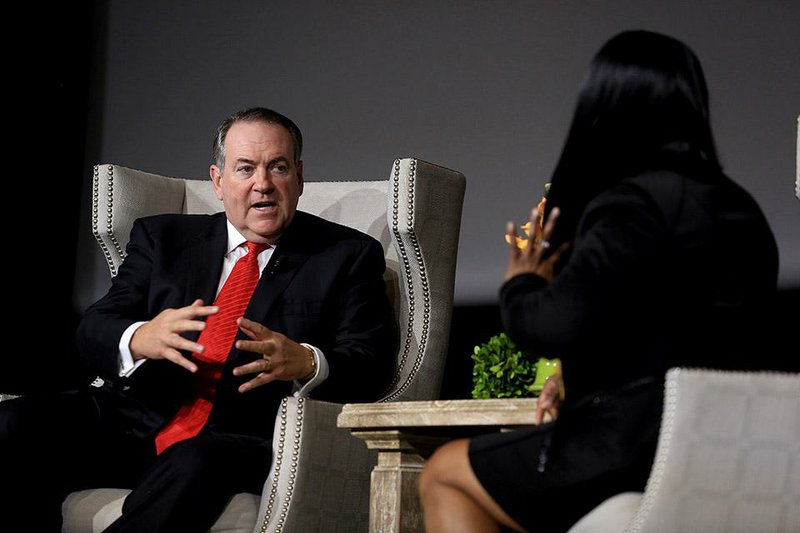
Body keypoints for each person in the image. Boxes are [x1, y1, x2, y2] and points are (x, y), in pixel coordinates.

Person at [419, 30, 778, 533]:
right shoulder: (743, 209)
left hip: (638, 446)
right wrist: (579, 374)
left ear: (604, 105)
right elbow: (677, 325)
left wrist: (522, 284)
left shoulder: (630, 204)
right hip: (730, 450)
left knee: (444, 473)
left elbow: (554, 323)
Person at [0, 107, 397, 531]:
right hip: (135, 420)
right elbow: (96, 327)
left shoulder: (345, 256)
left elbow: (371, 362)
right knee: (12, 423)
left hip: (241, 437)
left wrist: (307, 361)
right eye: (245, 169)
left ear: (298, 178)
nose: (263, 184)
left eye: (277, 168)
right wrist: (140, 337)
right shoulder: (163, 238)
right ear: (219, 180)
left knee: (195, 460)